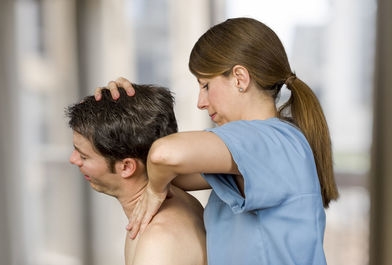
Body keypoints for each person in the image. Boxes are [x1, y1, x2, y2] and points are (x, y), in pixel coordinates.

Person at [96, 17, 339, 265]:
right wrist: (124, 109)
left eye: (205, 85)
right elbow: (162, 171)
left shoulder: (272, 141)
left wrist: (155, 191)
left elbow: (164, 157)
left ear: (240, 78)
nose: (200, 102)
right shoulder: (266, 149)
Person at [67, 85, 207, 265]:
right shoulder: (175, 196)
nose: (73, 160)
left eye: (83, 156)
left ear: (126, 167)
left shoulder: (158, 242)